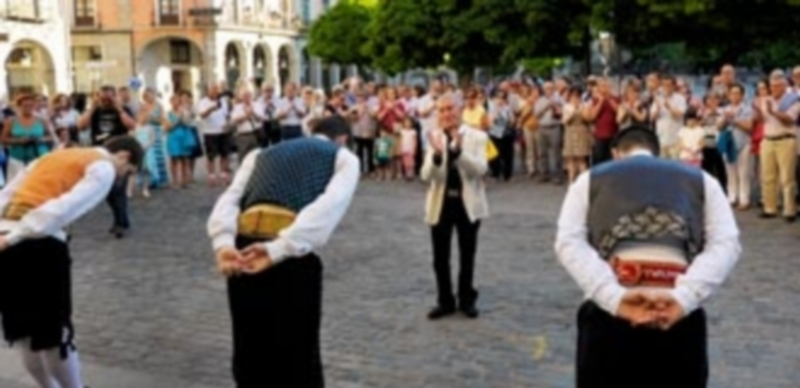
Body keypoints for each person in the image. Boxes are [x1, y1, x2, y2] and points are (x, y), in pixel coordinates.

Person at [554, 125, 741, 388]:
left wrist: (613, 296)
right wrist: (684, 297)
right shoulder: (702, 181)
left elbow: (569, 242)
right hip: (678, 317)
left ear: (616, 153)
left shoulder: (589, 179)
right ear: (657, 152)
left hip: (610, 317)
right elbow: (726, 243)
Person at [207, 115, 359, 388]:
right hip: (290, 257)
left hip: (243, 249)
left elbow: (231, 198)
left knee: (248, 344)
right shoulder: (343, 157)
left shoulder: (260, 154)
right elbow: (325, 210)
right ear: (343, 139)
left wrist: (223, 244)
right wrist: (278, 248)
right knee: (298, 350)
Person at [0, 136, 143, 388]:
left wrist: (6, 233)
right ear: (125, 156)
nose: (121, 178)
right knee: (55, 334)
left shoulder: (54, 155)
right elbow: (65, 207)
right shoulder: (104, 166)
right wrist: (17, 235)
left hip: (8, 238)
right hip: (39, 245)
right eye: (127, 172)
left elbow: (10, 192)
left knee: (27, 333)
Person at [422, 96, 489, 320]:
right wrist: (438, 157)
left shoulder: (478, 136)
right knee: (440, 257)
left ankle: (466, 299)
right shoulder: (434, 138)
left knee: (467, 254)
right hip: (440, 204)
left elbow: (481, 169)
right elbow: (425, 175)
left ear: (460, 109)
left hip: (467, 204)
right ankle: (445, 301)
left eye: (450, 108)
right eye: (441, 110)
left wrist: (459, 154)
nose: (446, 113)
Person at [77, 86, 136, 238]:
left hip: (120, 153)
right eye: (103, 98)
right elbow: (81, 126)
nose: (106, 101)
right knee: (108, 190)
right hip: (100, 152)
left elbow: (131, 126)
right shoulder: (95, 111)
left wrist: (119, 109)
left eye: (109, 98)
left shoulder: (123, 110)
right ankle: (122, 221)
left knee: (118, 188)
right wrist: (92, 107)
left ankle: (121, 223)